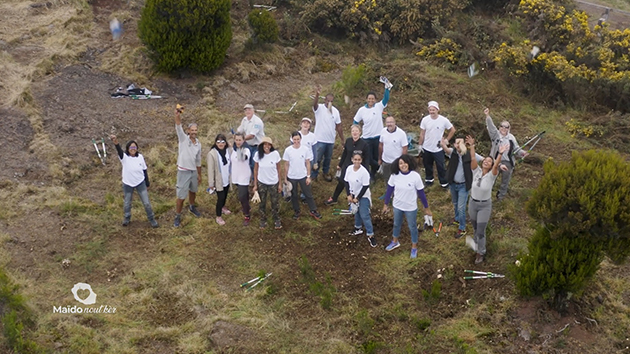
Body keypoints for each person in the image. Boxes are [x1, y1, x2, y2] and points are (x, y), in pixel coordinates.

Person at [467, 136, 508, 264]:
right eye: (485, 160)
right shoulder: (476, 171)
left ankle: (481, 252)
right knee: (475, 228)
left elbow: (496, 165)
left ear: (491, 166)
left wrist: (500, 154)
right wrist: (472, 146)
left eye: (489, 161)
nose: (486, 162)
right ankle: (475, 245)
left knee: (480, 230)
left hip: (484, 206)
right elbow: (473, 158)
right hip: (473, 203)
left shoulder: (492, 175)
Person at [382, 154, 432, 259]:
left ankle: (414, 247)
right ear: (398, 165)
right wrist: (385, 204)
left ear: (409, 163)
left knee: (412, 227)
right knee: (396, 224)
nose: (403, 165)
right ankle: (395, 241)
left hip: (410, 207)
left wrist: (426, 207)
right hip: (397, 205)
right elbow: (389, 190)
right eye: (400, 163)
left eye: (405, 162)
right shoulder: (394, 176)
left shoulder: (415, 176)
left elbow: (421, 193)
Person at [110, 135, 158, 228]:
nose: (133, 149)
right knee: (127, 202)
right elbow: (119, 150)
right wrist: (116, 142)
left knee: (146, 202)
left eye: (134, 147)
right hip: (128, 184)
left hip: (140, 182)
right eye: (131, 147)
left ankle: (151, 219)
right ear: (128, 149)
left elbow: (144, 170)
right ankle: (127, 218)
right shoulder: (124, 157)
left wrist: (147, 183)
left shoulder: (140, 157)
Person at [484, 108, 528, 201]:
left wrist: (522, 153)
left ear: (509, 129)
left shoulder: (511, 138)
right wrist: (487, 116)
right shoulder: (495, 135)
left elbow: (516, 149)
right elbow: (491, 127)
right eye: (502, 126)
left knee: (505, 181)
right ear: (499, 127)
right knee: (491, 179)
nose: (504, 128)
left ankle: (500, 197)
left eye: (506, 127)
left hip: (508, 162)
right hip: (496, 161)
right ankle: (486, 196)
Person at [440, 136, 479, 239]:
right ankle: (457, 219)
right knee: (455, 203)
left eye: (460, 143)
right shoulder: (453, 153)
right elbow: (446, 149)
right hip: (453, 184)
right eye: (457, 143)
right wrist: (443, 144)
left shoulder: (468, 154)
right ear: (454, 145)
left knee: (461, 207)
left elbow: (481, 159)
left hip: (463, 185)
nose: (458, 145)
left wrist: (472, 146)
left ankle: (462, 228)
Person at [324, 124, 370, 206]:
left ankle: (355, 200)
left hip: (358, 168)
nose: (354, 133)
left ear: (360, 132)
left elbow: (366, 159)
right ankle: (334, 198)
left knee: (355, 184)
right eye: (353, 131)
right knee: (342, 182)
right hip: (347, 166)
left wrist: (366, 171)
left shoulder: (364, 144)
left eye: (356, 131)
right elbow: (344, 153)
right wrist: (340, 164)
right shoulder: (348, 141)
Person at [353, 84, 391, 178]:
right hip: (366, 138)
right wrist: (356, 131)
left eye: (373, 99)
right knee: (368, 158)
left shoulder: (378, 107)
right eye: (369, 98)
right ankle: (378, 167)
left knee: (376, 156)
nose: (371, 100)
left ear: (375, 99)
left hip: (378, 137)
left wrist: (387, 89)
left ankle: (373, 174)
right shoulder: (362, 110)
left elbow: (385, 99)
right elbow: (355, 121)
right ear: (366, 99)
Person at [283, 132, 322, 220]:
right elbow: (286, 165)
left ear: (300, 139)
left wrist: (308, 176)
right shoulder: (288, 150)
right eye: (294, 139)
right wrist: (285, 178)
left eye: (298, 139)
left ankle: (313, 210)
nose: (296, 141)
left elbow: (308, 163)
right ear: (292, 140)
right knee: (294, 195)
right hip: (292, 177)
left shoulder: (305, 149)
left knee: (308, 194)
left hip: (303, 176)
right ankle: (297, 211)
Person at [174, 107, 202, 227]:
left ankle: (192, 207)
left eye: (196, 130)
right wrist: (177, 115)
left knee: (193, 191)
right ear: (188, 131)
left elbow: (198, 160)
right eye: (192, 130)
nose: (194, 132)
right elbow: (178, 125)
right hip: (183, 171)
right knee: (181, 196)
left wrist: (199, 174)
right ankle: (177, 215)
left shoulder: (198, 143)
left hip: (193, 171)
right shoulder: (183, 139)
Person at [418, 101, 456, 188]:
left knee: (441, 166)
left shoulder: (443, 120)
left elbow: (452, 130)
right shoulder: (425, 120)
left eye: (433, 110)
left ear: (437, 110)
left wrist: (446, 140)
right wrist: (420, 145)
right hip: (427, 147)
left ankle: (444, 183)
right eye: (430, 110)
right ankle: (429, 180)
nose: (432, 112)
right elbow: (422, 133)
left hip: (438, 148)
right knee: (427, 165)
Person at [344, 151, 377, 247]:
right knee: (356, 212)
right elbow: (346, 182)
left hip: (363, 196)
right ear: (352, 160)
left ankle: (370, 235)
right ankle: (357, 228)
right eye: (355, 159)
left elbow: (365, 186)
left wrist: (358, 198)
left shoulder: (364, 172)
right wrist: (348, 195)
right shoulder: (349, 169)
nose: (357, 161)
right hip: (353, 194)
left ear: (361, 160)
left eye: (359, 160)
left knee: (364, 214)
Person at [312, 87, 344, 181]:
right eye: (327, 100)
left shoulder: (335, 111)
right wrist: (317, 95)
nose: (329, 102)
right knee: (317, 159)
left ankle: (325, 173)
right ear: (324, 100)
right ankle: (314, 174)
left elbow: (339, 126)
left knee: (328, 158)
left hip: (330, 140)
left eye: (331, 101)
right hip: (319, 139)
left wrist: (342, 139)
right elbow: (314, 105)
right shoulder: (320, 109)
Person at [253, 137, 283, 229]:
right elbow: (255, 170)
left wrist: (280, 184)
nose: (266, 146)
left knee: (275, 202)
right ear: (262, 146)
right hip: (262, 182)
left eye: (268, 144)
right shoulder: (258, 155)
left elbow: (279, 169)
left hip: (274, 182)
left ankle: (276, 219)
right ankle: (263, 219)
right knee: (262, 202)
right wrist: (255, 184)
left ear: (271, 146)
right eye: (264, 144)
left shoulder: (275, 154)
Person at [207, 134, 232, 226]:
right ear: (215, 143)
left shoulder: (229, 151)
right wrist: (211, 183)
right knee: (220, 197)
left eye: (222, 142)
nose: (220, 144)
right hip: (218, 181)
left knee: (225, 195)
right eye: (218, 142)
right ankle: (218, 216)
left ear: (225, 143)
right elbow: (210, 169)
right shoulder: (212, 154)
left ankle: (223, 207)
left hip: (227, 179)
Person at [231, 132, 253, 226]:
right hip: (235, 176)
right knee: (244, 195)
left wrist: (240, 151)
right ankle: (247, 207)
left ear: (243, 140)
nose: (238, 142)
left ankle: (247, 215)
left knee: (242, 196)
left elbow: (244, 157)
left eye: (240, 140)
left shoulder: (246, 149)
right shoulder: (233, 149)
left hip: (244, 176)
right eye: (236, 140)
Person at [378, 116, 408, 182]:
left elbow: (405, 148)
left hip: (396, 162)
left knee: (398, 179)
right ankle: (388, 192)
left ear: (395, 123)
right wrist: (380, 158)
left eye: (391, 122)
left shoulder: (401, 133)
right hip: (386, 161)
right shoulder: (383, 131)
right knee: (387, 179)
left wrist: (402, 161)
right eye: (388, 122)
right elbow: (381, 145)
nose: (389, 124)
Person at [237, 103, 265, 171]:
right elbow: (240, 130)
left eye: (249, 109)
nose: (247, 111)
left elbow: (252, 135)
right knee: (242, 160)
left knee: (254, 164)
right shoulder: (244, 120)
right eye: (246, 110)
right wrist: (236, 135)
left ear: (253, 111)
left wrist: (240, 139)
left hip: (257, 146)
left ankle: (254, 180)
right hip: (247, 144)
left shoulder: (257, 121)